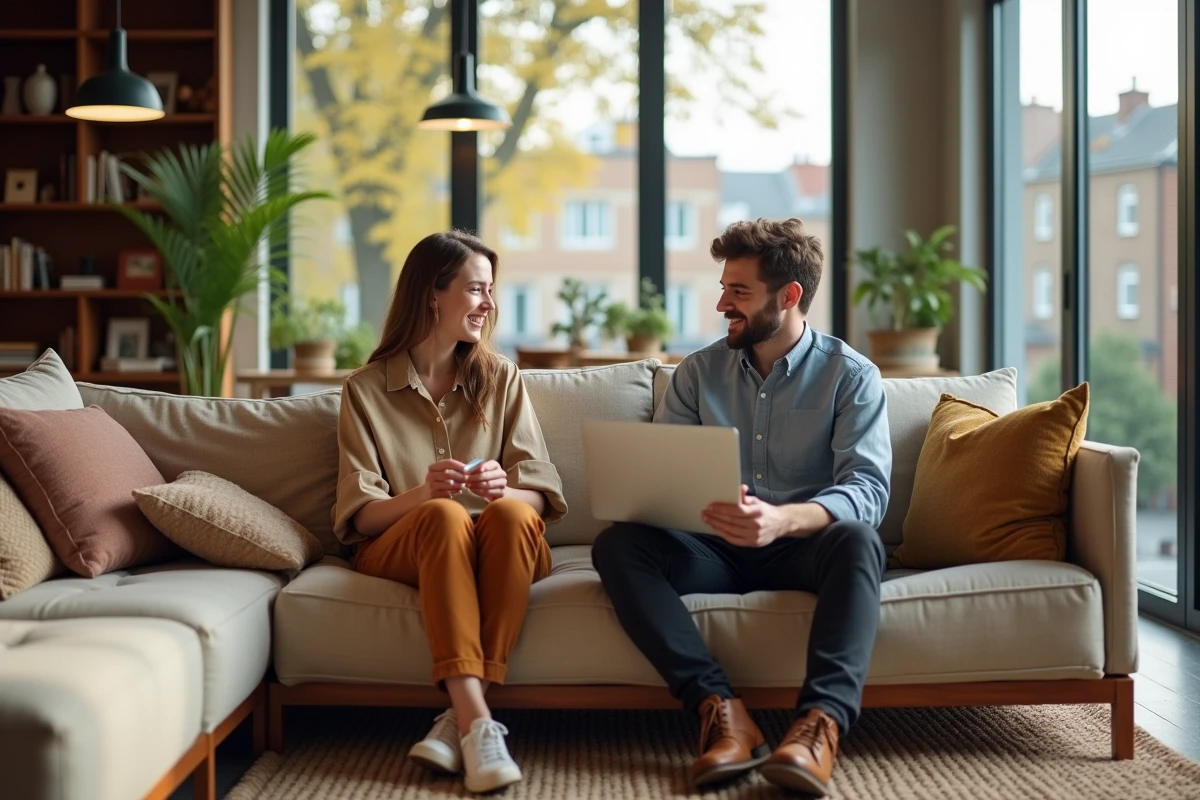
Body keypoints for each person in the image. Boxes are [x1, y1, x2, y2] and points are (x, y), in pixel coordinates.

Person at [591, 217, 891, 796]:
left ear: (789, 296)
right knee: (618, 545)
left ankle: (818, 726)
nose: (722, 303)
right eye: (724, 287)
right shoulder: (697, 373)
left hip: (799, 548)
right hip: (712, 548)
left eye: (739, 292)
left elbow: (868, 491)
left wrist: (781, 519)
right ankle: (720, 712)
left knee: (858, 540)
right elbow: (660, 471)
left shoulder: (851, 376)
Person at [333, 230, 568, 794]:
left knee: (509, 516)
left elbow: (540, 494)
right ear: (433, 295)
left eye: (491, 290)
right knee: (444, 516)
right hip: (407, 543)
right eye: (476, 289)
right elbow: (361, 519)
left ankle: (460, 717)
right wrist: (422, 494)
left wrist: (501, 491)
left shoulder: (502, 377)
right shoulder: (365, 389)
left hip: (504, 540)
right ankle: (480, 721)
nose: (488, 304)